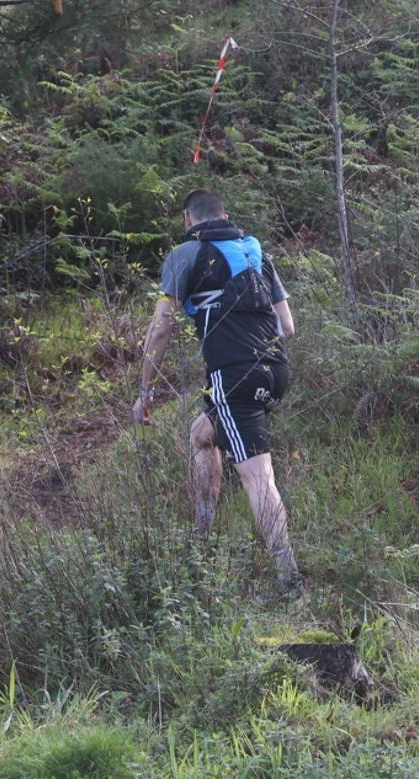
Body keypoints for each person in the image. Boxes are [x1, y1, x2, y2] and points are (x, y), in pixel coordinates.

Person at [130, 188, 300, 591]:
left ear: (187, 221)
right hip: (275, 373)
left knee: (257, 476)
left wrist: (144, 391)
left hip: (233, 376)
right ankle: (202, 541)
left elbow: (160, 327)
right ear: (225, 214)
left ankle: (289, 577)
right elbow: (288, 327)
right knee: (202, 435)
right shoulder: (257, 256)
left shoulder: (185, 255)